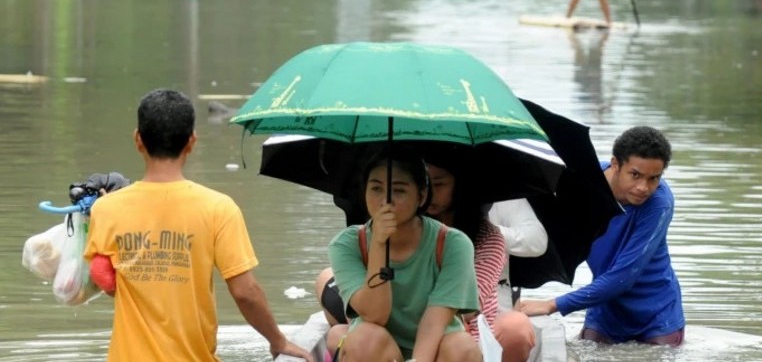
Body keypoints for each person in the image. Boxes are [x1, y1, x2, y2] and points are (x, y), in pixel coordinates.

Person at [83, 89, 313, 362]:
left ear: (138, 140)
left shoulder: (107, 209)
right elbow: (245, 292)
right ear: (191, 141)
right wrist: (278, 341)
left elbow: (108, 284)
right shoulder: (218, 208)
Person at [518, 126, 685, 347]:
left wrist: (551, 304)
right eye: (635, 174)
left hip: (656, 315)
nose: (644, 187)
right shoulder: (583, 184)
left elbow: (623, 277)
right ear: (616, 164)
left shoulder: (659, 203)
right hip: (605, 310)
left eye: (654, 178)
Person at [327, 145, 482, 361]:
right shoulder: (347, 244)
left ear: (421, 195)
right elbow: (375, 315)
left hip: (434, 349)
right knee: (364, 339)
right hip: (377, 349)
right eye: (376, 188)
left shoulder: (453, 243)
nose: (385, 201)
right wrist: (379, 244)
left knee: (462, 347)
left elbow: (435, 321)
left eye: (399, 190)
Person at [424, 159, 536, 362]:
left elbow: (468, 306)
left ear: (460, 186)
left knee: (515, 327)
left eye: (439, 184)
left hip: (465, 328)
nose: (429, 193)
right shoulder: (400, 232)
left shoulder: (488, 237)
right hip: (410, 323)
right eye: (423, 183)